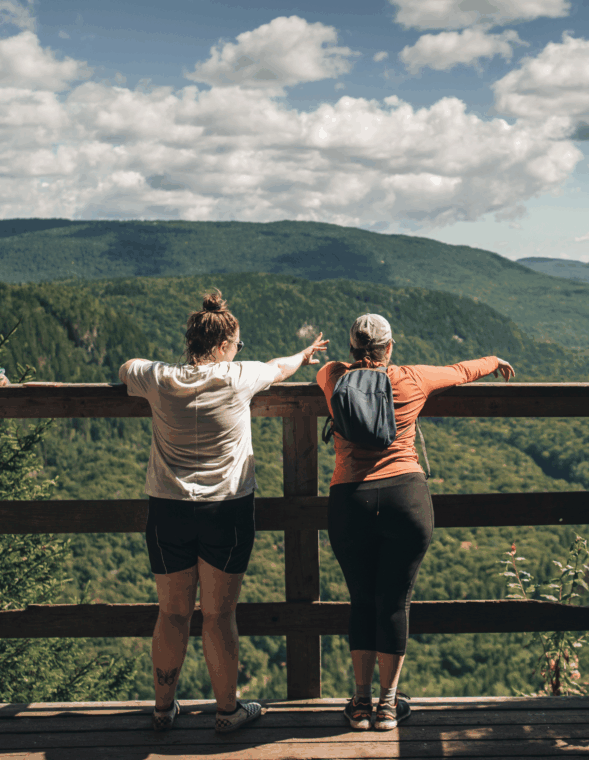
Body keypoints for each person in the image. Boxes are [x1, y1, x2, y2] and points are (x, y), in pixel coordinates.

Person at [119, 291, 327, 734]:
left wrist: (163, 368)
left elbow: (126, 369)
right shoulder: (238, 377)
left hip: (168, 509)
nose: (238, 351)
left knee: (172, 613)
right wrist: (304, 355)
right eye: (236, 345)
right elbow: (280, 367)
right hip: (226, 511)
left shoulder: (159, 378)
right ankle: (227, 711)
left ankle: (162, 708)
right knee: (218, 616)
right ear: (220, 347)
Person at [317, 313, 515, 731]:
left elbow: (322, 370)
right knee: (394, 602)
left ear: (352, 349)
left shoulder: (333, 377)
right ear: (389, 348)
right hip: (405, 497)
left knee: (361, 601)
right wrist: (493, 359)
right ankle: (388, 707)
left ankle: (358, 704)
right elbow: (460, 372)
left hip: (349, 499)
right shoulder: (409, 379)